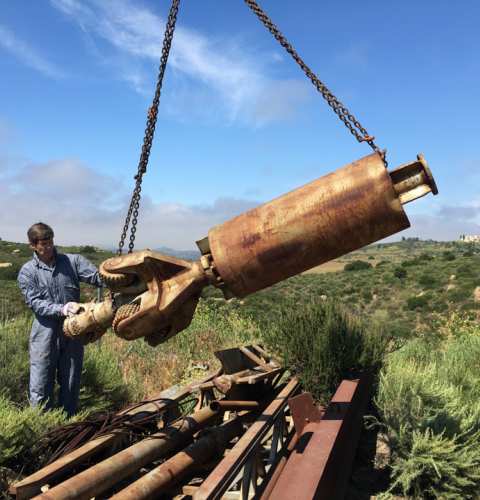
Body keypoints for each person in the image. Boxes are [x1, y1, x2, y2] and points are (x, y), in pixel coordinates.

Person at [17, 222, 102, 416]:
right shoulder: (27, 272)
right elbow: (36, 303)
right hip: (44, 336)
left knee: (71, 383)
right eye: (43, 245)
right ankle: (42, 429)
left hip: (73, 333)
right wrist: (62, 308)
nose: (48, 248)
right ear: (33, 245)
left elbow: (98, 277)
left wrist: (118, 272)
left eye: (50, 243)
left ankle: (68, 427)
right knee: (41, 385)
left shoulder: (72, 262)